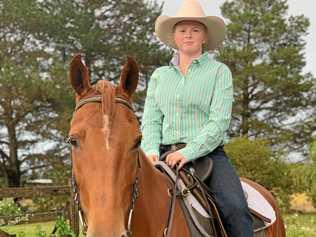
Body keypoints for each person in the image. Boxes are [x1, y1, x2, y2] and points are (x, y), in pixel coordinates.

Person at [140, 0, 253, 236]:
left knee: (235, 208)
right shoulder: (160, 76)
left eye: (195, 30)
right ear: (174, 36)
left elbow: (218, 123)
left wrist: (187, 152)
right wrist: (149, 150)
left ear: (204, 37)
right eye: (182, 30)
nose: (188, 35)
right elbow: (151, 119)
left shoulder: (219, 72)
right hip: (161, 155)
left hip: (208, 156)